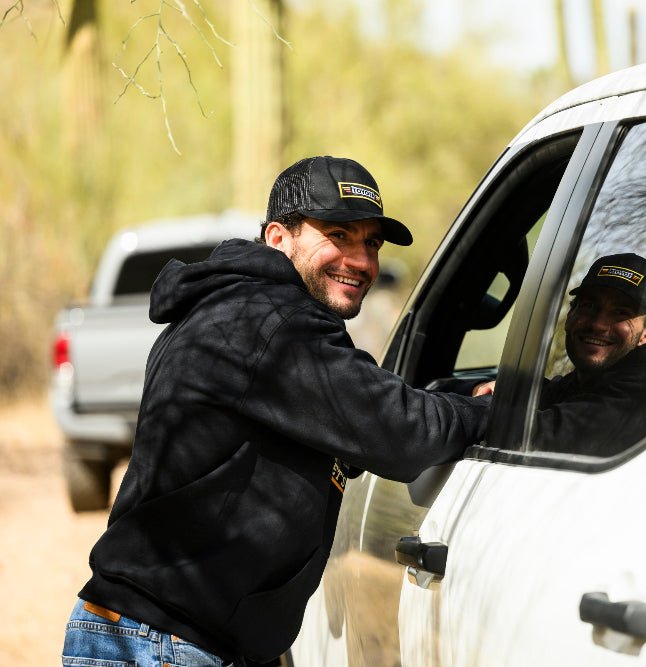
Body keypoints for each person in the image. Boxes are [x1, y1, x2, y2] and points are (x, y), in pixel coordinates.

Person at [62, 156, 490, 667]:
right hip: (161, 646)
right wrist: (498, 411)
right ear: (278, 238)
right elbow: (404, 435)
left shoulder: (239, 313)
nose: (361, 261)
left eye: (371, 243)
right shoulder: (268, 324)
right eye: (338, 235)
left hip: (162, 637)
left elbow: (344, 429)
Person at [531, 252, 646, 456]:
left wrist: (482, 417)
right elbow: (560, 394)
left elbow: (548, 432)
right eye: (589, 306)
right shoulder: (596, 376)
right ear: (570, 315)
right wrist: (508, 387)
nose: (598, 324)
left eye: (621, 313)